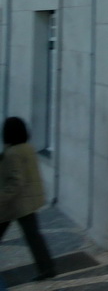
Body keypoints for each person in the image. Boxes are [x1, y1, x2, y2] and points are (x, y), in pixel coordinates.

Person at [0, 117, 55, 280]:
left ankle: (47, 268)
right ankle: (47, 268)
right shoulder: (28, 148)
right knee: (34, 236)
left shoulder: (12, 153)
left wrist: (1, 197)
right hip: (27, 201)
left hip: (17, 203)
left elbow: (16, 181)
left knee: (33, 237)